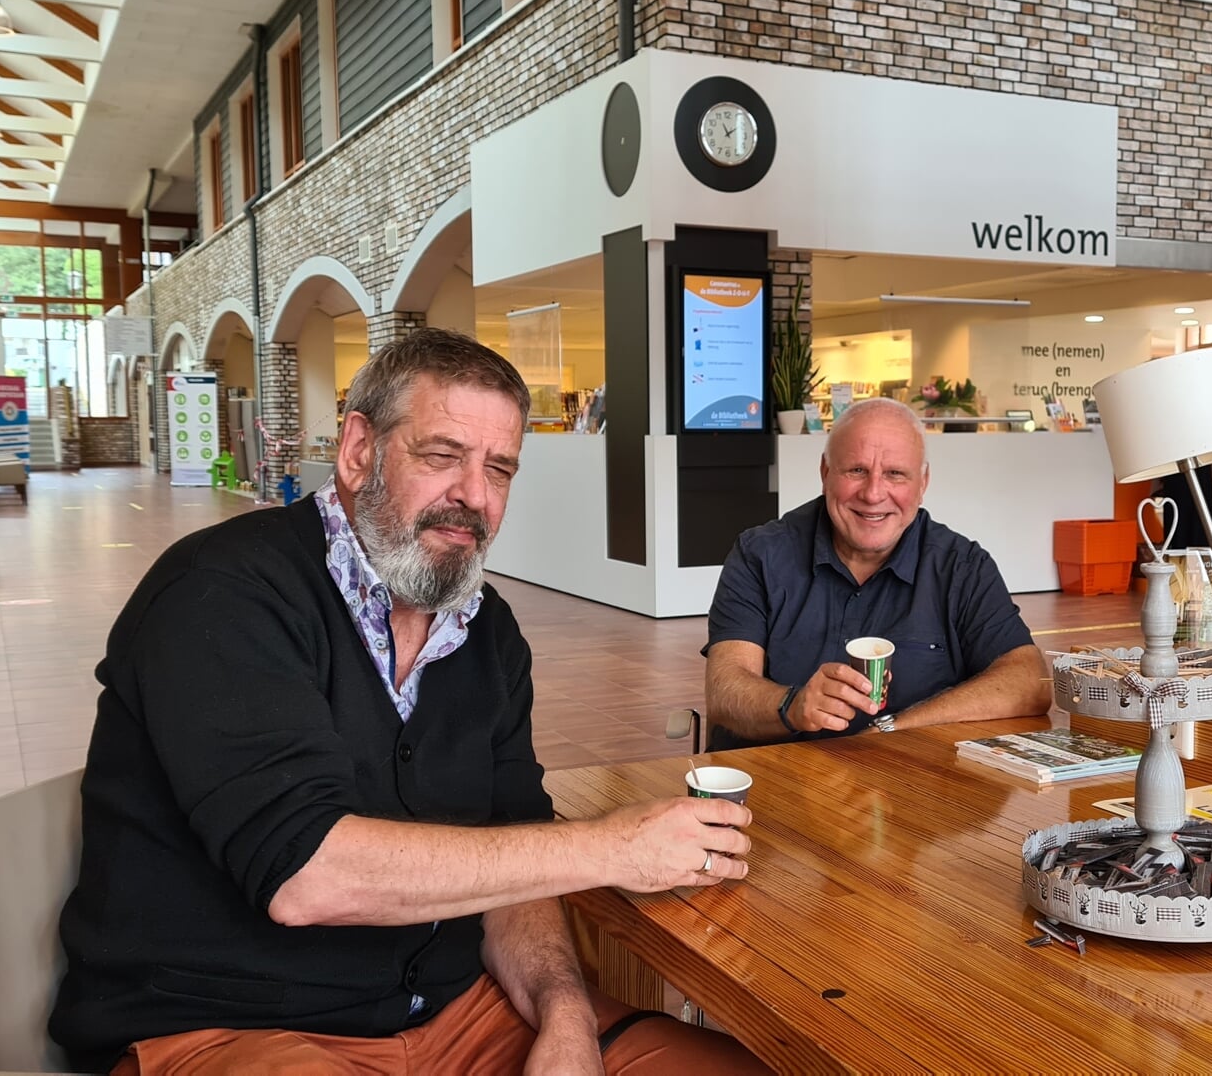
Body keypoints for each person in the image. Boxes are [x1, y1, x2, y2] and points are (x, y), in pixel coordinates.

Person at [50, 329, 761, 1074]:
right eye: (441, 456)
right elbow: (306, 875)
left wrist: (566, 1018)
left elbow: (515, 856)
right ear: (359, 450)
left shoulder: (486, 631)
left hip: (459, 1015)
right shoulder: (222, 594)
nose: (474, 496)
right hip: (227, 1027)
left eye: (499, 469)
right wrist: (612, 848)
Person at [703, 397, 1047, 748]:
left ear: (923, 482)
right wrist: (793, 706)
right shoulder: (760, 555)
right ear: (825, 473)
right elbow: (725, 689)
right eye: (856, 470)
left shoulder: (962, 566)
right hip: (774, 782)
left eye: (895, 474)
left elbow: (1029, 680)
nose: (873, 493)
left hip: (909, 785)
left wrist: (893, 727)